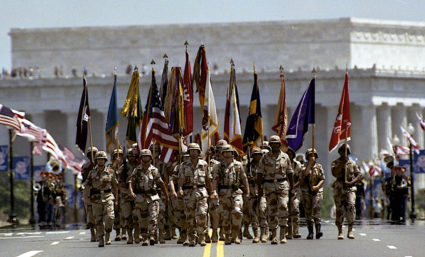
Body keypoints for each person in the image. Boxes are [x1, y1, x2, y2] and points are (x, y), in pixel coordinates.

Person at [257, 135, 294, 244]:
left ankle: (283, 234)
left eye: (276, 143)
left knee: (283, 206)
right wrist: (259, 188)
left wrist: (292, 188)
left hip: (282, 185)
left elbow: (290, 173)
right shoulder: (265, 158)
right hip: (269, 186)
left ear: (279, 144)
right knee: (271, 210)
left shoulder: (285, 157)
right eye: (272, 143)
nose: (274, 145)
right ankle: (274, 235)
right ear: (270, 145)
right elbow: (259, 173)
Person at [129, 149, 169, 246]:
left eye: (147, 156)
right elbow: (131, 182)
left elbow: (161, 183)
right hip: (140, 197)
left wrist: (166, 195)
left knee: (154, 216)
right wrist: (131, 192)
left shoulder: (154, 170)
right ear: (141, 158)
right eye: (143, 156)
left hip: (153, 196)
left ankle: (152, 234)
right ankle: (145, 238)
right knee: (142, 219)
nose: (145, 158)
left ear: (150, 158)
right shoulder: (137, 170)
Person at [177, 143, 213, 246]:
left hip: (201, 192)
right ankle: (192, 238)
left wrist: (211, 193)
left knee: (202, 214)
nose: (193, 152)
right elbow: (180, 179)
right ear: (189, 152)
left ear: (198, 152)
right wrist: (179, 189)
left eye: (195, 150)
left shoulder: (204, 164)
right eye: (191, 151)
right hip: (188, 193)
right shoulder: (184, 165)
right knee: (190, 217)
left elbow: (208, 180)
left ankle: (202, 237)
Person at [212, 144, 250, 245]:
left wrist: (247, 191)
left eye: (230, 152)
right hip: (223, 194)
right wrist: (214, 191)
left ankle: (236, 235)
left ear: (233, 154)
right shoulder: (218, 166)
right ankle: (227, 235)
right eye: (226, 152)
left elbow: (244, 178)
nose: (228, 154)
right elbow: (215, 180)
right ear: (223, 154)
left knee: (237, 212)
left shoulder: (238, 165)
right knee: (225, 217)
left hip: (236, 192)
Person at [84, 151, 118, 247]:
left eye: (102, 159)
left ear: (105, 160)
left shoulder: (110, 172)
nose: (100, 161)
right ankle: (101, 238)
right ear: (96, 161)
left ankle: (108, 234)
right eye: (99, 159)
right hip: (96, 198)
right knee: (98, 220)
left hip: (108, 196)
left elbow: (115, 186)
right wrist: (86, 198)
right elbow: (87, 186)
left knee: (110, 217)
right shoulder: (92, 173)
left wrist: (117, 199)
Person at [331, 144, 361, 240]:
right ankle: (340, 231)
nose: (344, 153)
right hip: (339, 186)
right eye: (342, 150)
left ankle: (350, 230)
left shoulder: (352, 163)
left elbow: (358, 174)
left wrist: (352, 182)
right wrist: (341, 164)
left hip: (350, 187)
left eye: (346, 151)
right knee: (339, 209)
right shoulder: (335, 162)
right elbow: (334, 173)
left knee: (351, 206)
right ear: (340, 152)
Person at [300, 148, 325, 240]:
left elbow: (322, 178)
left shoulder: (319, 167)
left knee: (316, 209)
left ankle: (318, 230)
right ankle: (310, 232)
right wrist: (310, 164)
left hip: (317, 191)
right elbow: (305, 175)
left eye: (313, 155)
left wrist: (317, 187)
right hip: (306, 191)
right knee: (308, 211)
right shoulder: (303, 166)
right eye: (310, 155)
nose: (312, 157)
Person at [116, 147, 138, 244]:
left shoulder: (139, 167)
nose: (131, 158)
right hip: (126, 195)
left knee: (137, 215)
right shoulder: (123, 168)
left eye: (133, 156)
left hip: (137, 194)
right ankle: (130, 236)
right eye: (130, 156)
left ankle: (137, 234)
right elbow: (119, 182)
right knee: (128, 216)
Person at [81, 146, 98, 241]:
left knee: (100, 214)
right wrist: (90, 167)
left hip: (99, 191)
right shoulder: (85, 166)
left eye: (94, 154)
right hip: (89, 191)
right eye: (91, 154)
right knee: (90, 213)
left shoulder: (101, 165)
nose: (93, 156)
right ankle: (92, 232)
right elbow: (84, 178)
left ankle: (100, 232)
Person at [286, 147, 302, 239]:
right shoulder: (282, 164)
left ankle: (296, 231)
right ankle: (288, 232)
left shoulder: (297, 165)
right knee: (286, 211)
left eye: (290, 154)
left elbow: (300, 179)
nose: (289, 155)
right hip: (284, 189)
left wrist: (293, 187)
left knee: (295, 209)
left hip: (295, 190)